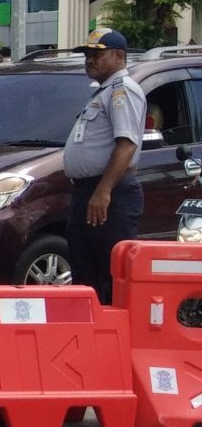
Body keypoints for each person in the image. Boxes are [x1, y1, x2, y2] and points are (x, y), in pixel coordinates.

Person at [63, 28, 145, 304]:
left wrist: (103, 191)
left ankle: (112, 338)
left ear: (119, 56)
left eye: (97, 54)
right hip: (88, 192)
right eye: (87, 54)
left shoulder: (122, 91)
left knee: (110, 274)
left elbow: (127, 144)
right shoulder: (103, 92)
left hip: (110, 194)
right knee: (85, 274)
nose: (89, 60)